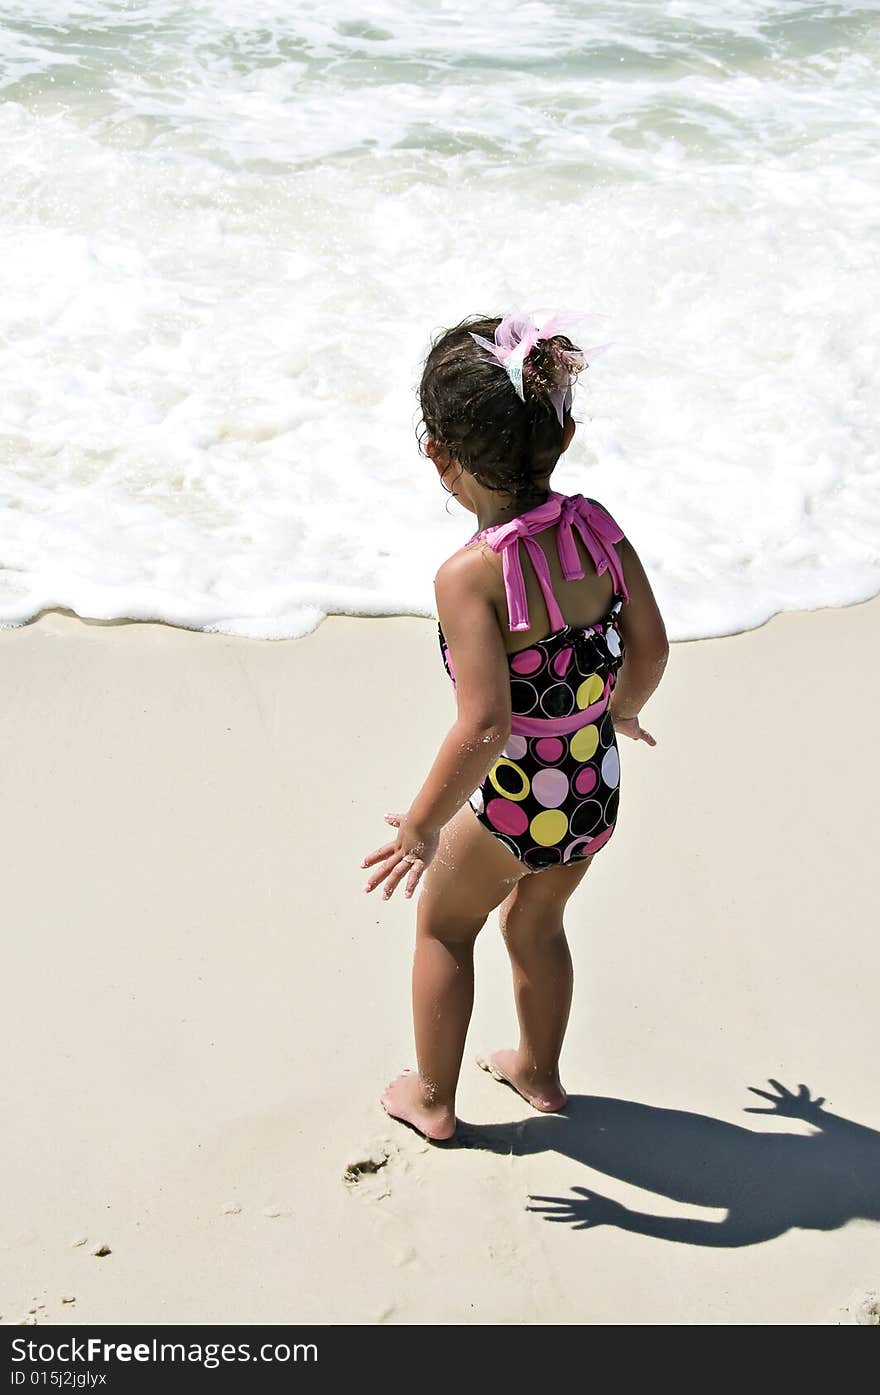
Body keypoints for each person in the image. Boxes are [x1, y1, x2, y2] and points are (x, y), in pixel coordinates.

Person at [362, 310, 668, 1141]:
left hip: (514, 800)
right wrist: (623, 708)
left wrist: (424, 824)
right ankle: (537, 1069)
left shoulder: (471, 576)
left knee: (444, 923)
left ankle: (430, 1096)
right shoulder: (599, 529)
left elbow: (487, 723)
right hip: (594, 787)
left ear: (439, 453)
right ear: (560, 435)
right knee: (536, 922)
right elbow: (651, 644)